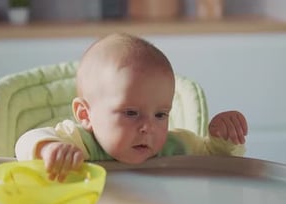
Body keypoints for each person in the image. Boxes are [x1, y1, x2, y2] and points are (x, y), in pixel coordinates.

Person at [16, 32, 248, 181]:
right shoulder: (81, 143)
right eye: (130, 113)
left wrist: (224, 139)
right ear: (85, 114)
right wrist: (49, 149)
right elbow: (25, 142)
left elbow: (216, 163)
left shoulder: (176, 146)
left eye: (160, 114)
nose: (148, 127)